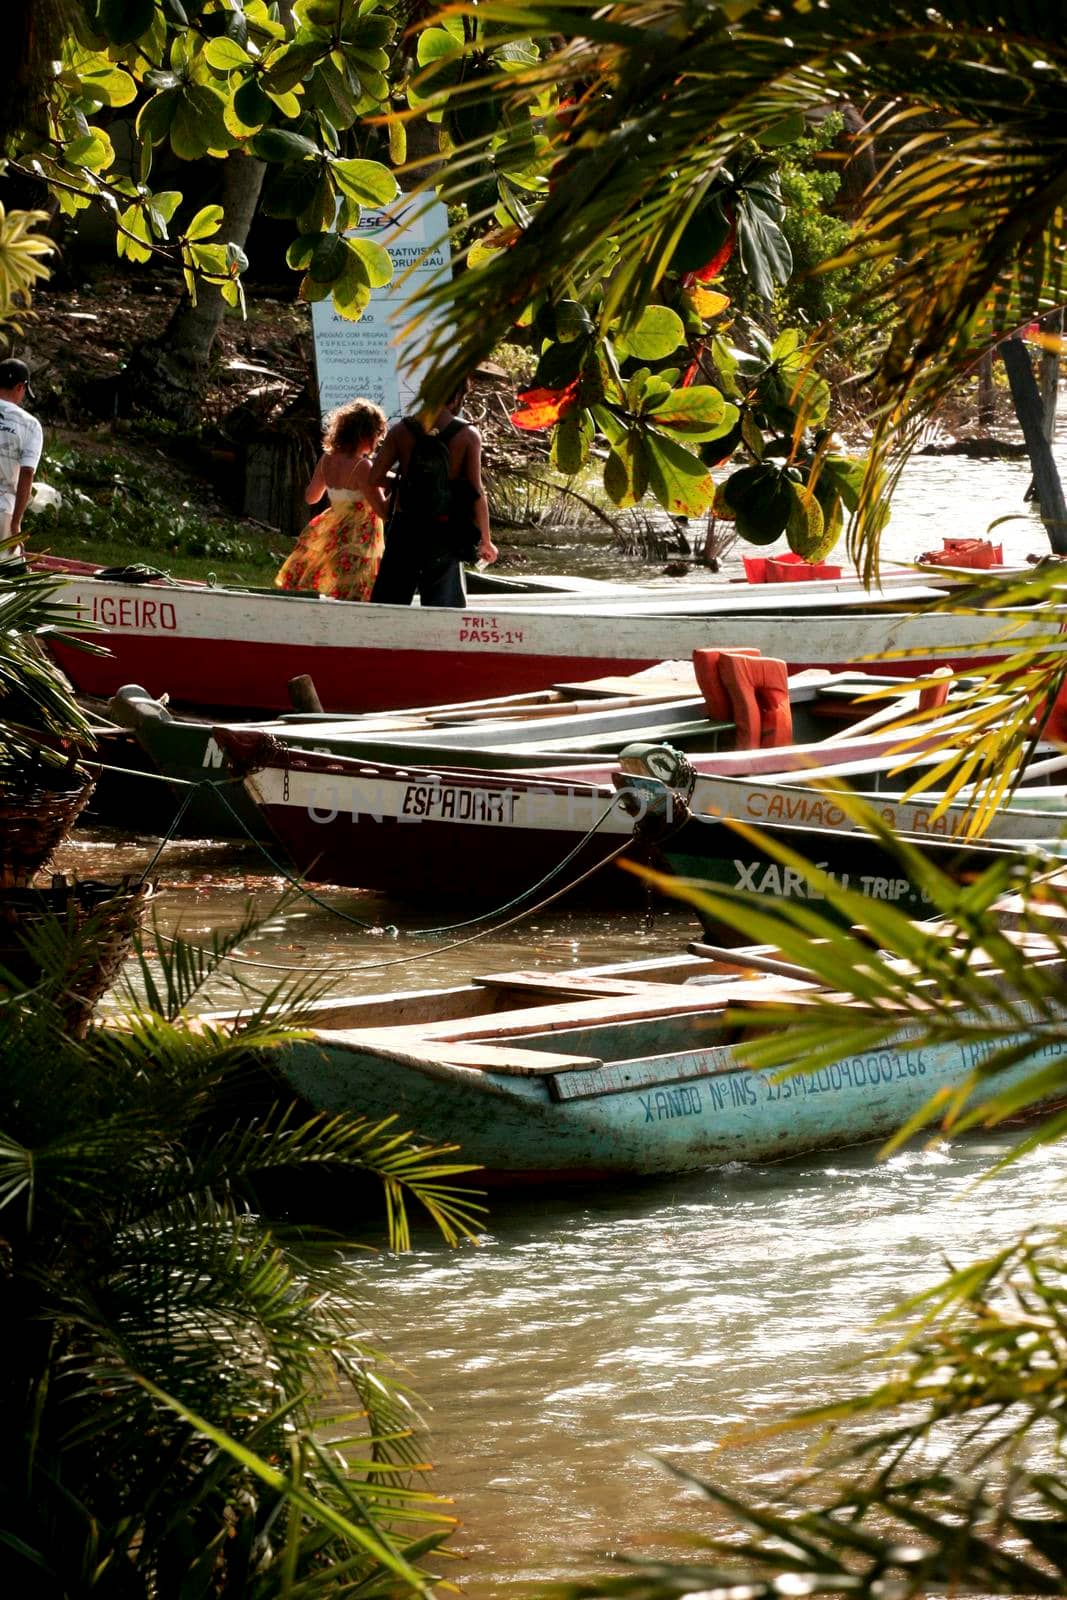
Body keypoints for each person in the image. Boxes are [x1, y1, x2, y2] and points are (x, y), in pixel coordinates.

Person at [369, 376, 498, 607]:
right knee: (444, 607)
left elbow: (375, 478)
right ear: (457, 397)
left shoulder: (401, 431)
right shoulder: (468, 436)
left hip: (405, 527)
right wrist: (486, 541)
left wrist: (407, 484)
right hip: (446, 530)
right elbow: (476, 491)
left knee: (389, 601)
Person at [276, 397, 388, 601]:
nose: (378, 442)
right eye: (377, 436)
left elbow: (311, 497)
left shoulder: (326, 459)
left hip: (332, 529)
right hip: (359, 535)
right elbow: (383, 511)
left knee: (331, 581)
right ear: (365, 435)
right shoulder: (363, 467)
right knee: (355, 589)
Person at [0, 358, 43, 557]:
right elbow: (27, 473)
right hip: (3, 509)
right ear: (20, 386)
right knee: (7, 582)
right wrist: (16, 524)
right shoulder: (30, 425)